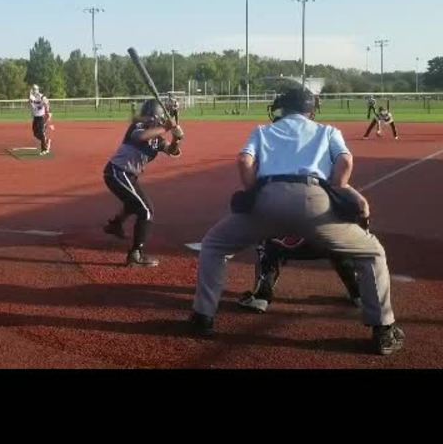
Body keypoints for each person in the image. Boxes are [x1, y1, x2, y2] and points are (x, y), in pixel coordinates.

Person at [190, 87, 405, 356]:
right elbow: (345, 160)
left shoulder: (263, 131)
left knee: (214, 245)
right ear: (311, 110)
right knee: (372, 253)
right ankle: (383, 330)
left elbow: (244, 160)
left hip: (267, 199)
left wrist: (252, 190)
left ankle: (202, 317)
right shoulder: (328, 131)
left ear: (284, 108)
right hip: (315, 201)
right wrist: (341, 186)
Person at [103, 99, 184, 267]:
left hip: (127, 175)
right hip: (118, 172)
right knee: (146, 210)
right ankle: (136, 254)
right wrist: (167, 128)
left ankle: (115, 225)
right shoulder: (138, 127)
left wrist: (176, 139)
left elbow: (172, 151)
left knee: (134, 203)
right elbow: (141, 137)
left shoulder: (157, 138)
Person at [236, 236, 362, 313]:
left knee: (266, 241)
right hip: (327, 242)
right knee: (341, 239)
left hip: (287, 244)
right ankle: (358, 294)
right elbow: (361, 206)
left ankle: (261, 297)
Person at [28, 85, 51, 155]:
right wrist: (30, 99)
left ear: (38, 90)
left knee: (41, 132)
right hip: (35, 117)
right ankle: (46, 141)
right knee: (35, 134)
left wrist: (48, 112)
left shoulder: (42, 96)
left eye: (35, 89)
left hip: (41, 117)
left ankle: (44, 149)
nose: (34, 91)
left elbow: (47, 103)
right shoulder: (31, 97)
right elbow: (31, 105)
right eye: (33, 89)